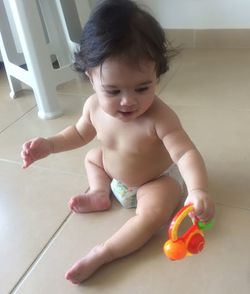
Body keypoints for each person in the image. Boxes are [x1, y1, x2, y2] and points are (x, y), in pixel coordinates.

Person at [21, 0, 215, 284]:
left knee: (153, 214)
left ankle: (105, 252)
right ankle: (100, 193)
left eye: (142, 88)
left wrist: (197, 189)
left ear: (156, 75)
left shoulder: (160, 118)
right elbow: (77, 134)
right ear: (91, 78)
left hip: (155, 180)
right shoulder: (93, 107)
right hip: (117, 177)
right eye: (112, 91)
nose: (128, 101)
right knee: (92, 157)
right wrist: (49, 145)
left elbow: (185, 153)